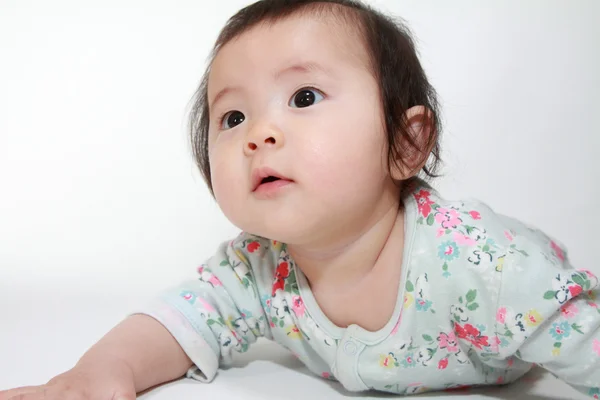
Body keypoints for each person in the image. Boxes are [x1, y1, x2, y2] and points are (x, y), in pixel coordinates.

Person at [2, 0, 598, 398]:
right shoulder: (262, 268)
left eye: (305, 97)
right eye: (233, 116)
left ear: (405, 143)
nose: (260, 133)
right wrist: (102, 371)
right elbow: (181, 319)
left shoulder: (488, 270)